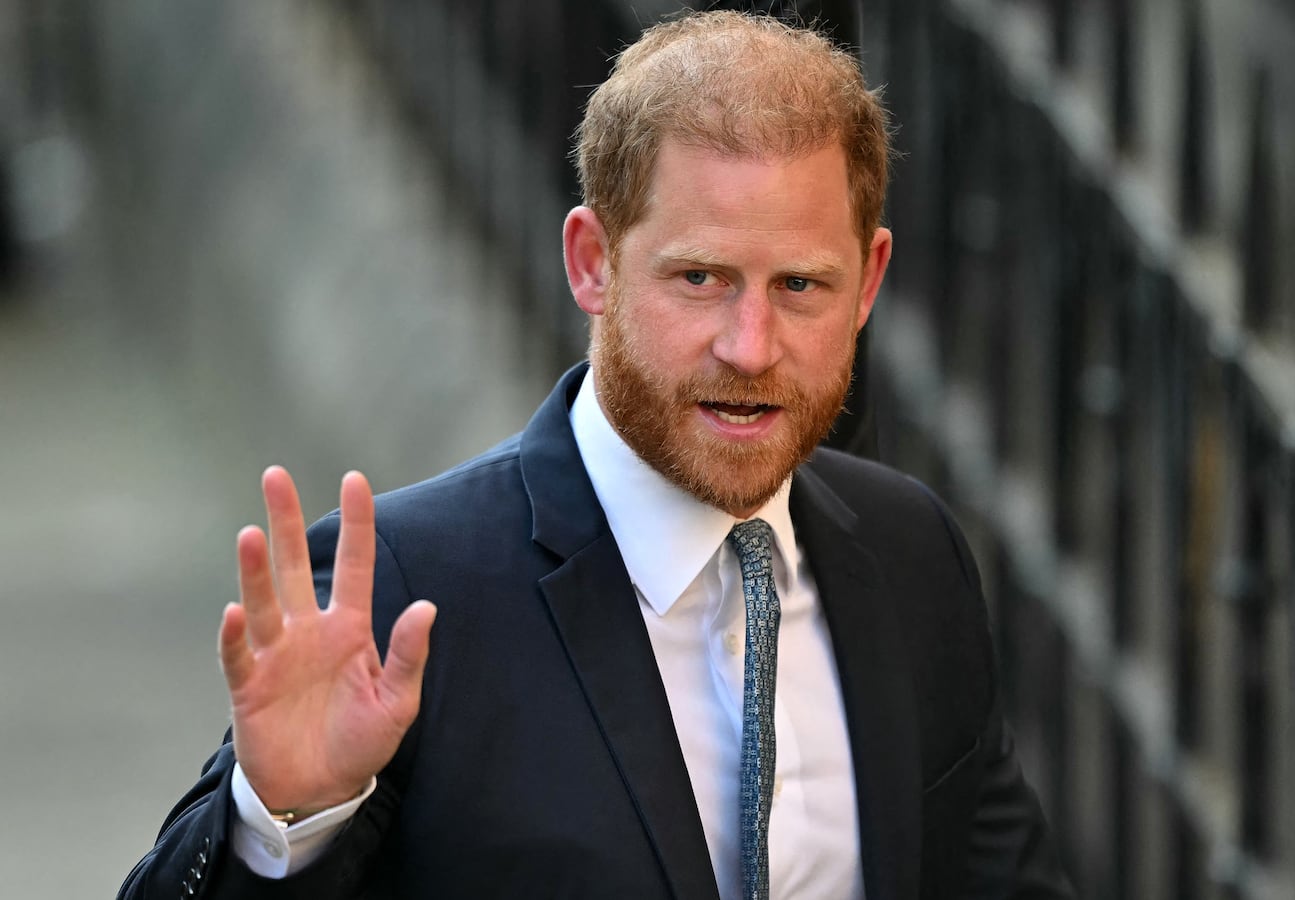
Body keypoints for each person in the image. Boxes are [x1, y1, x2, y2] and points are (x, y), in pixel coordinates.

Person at [118, 11, 1071, 900]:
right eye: (701, 278)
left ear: (868, 284)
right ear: (592, 263)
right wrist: (282, 820)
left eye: (801, 285)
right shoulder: (409, 588)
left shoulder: (913, 554)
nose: (751, 344)